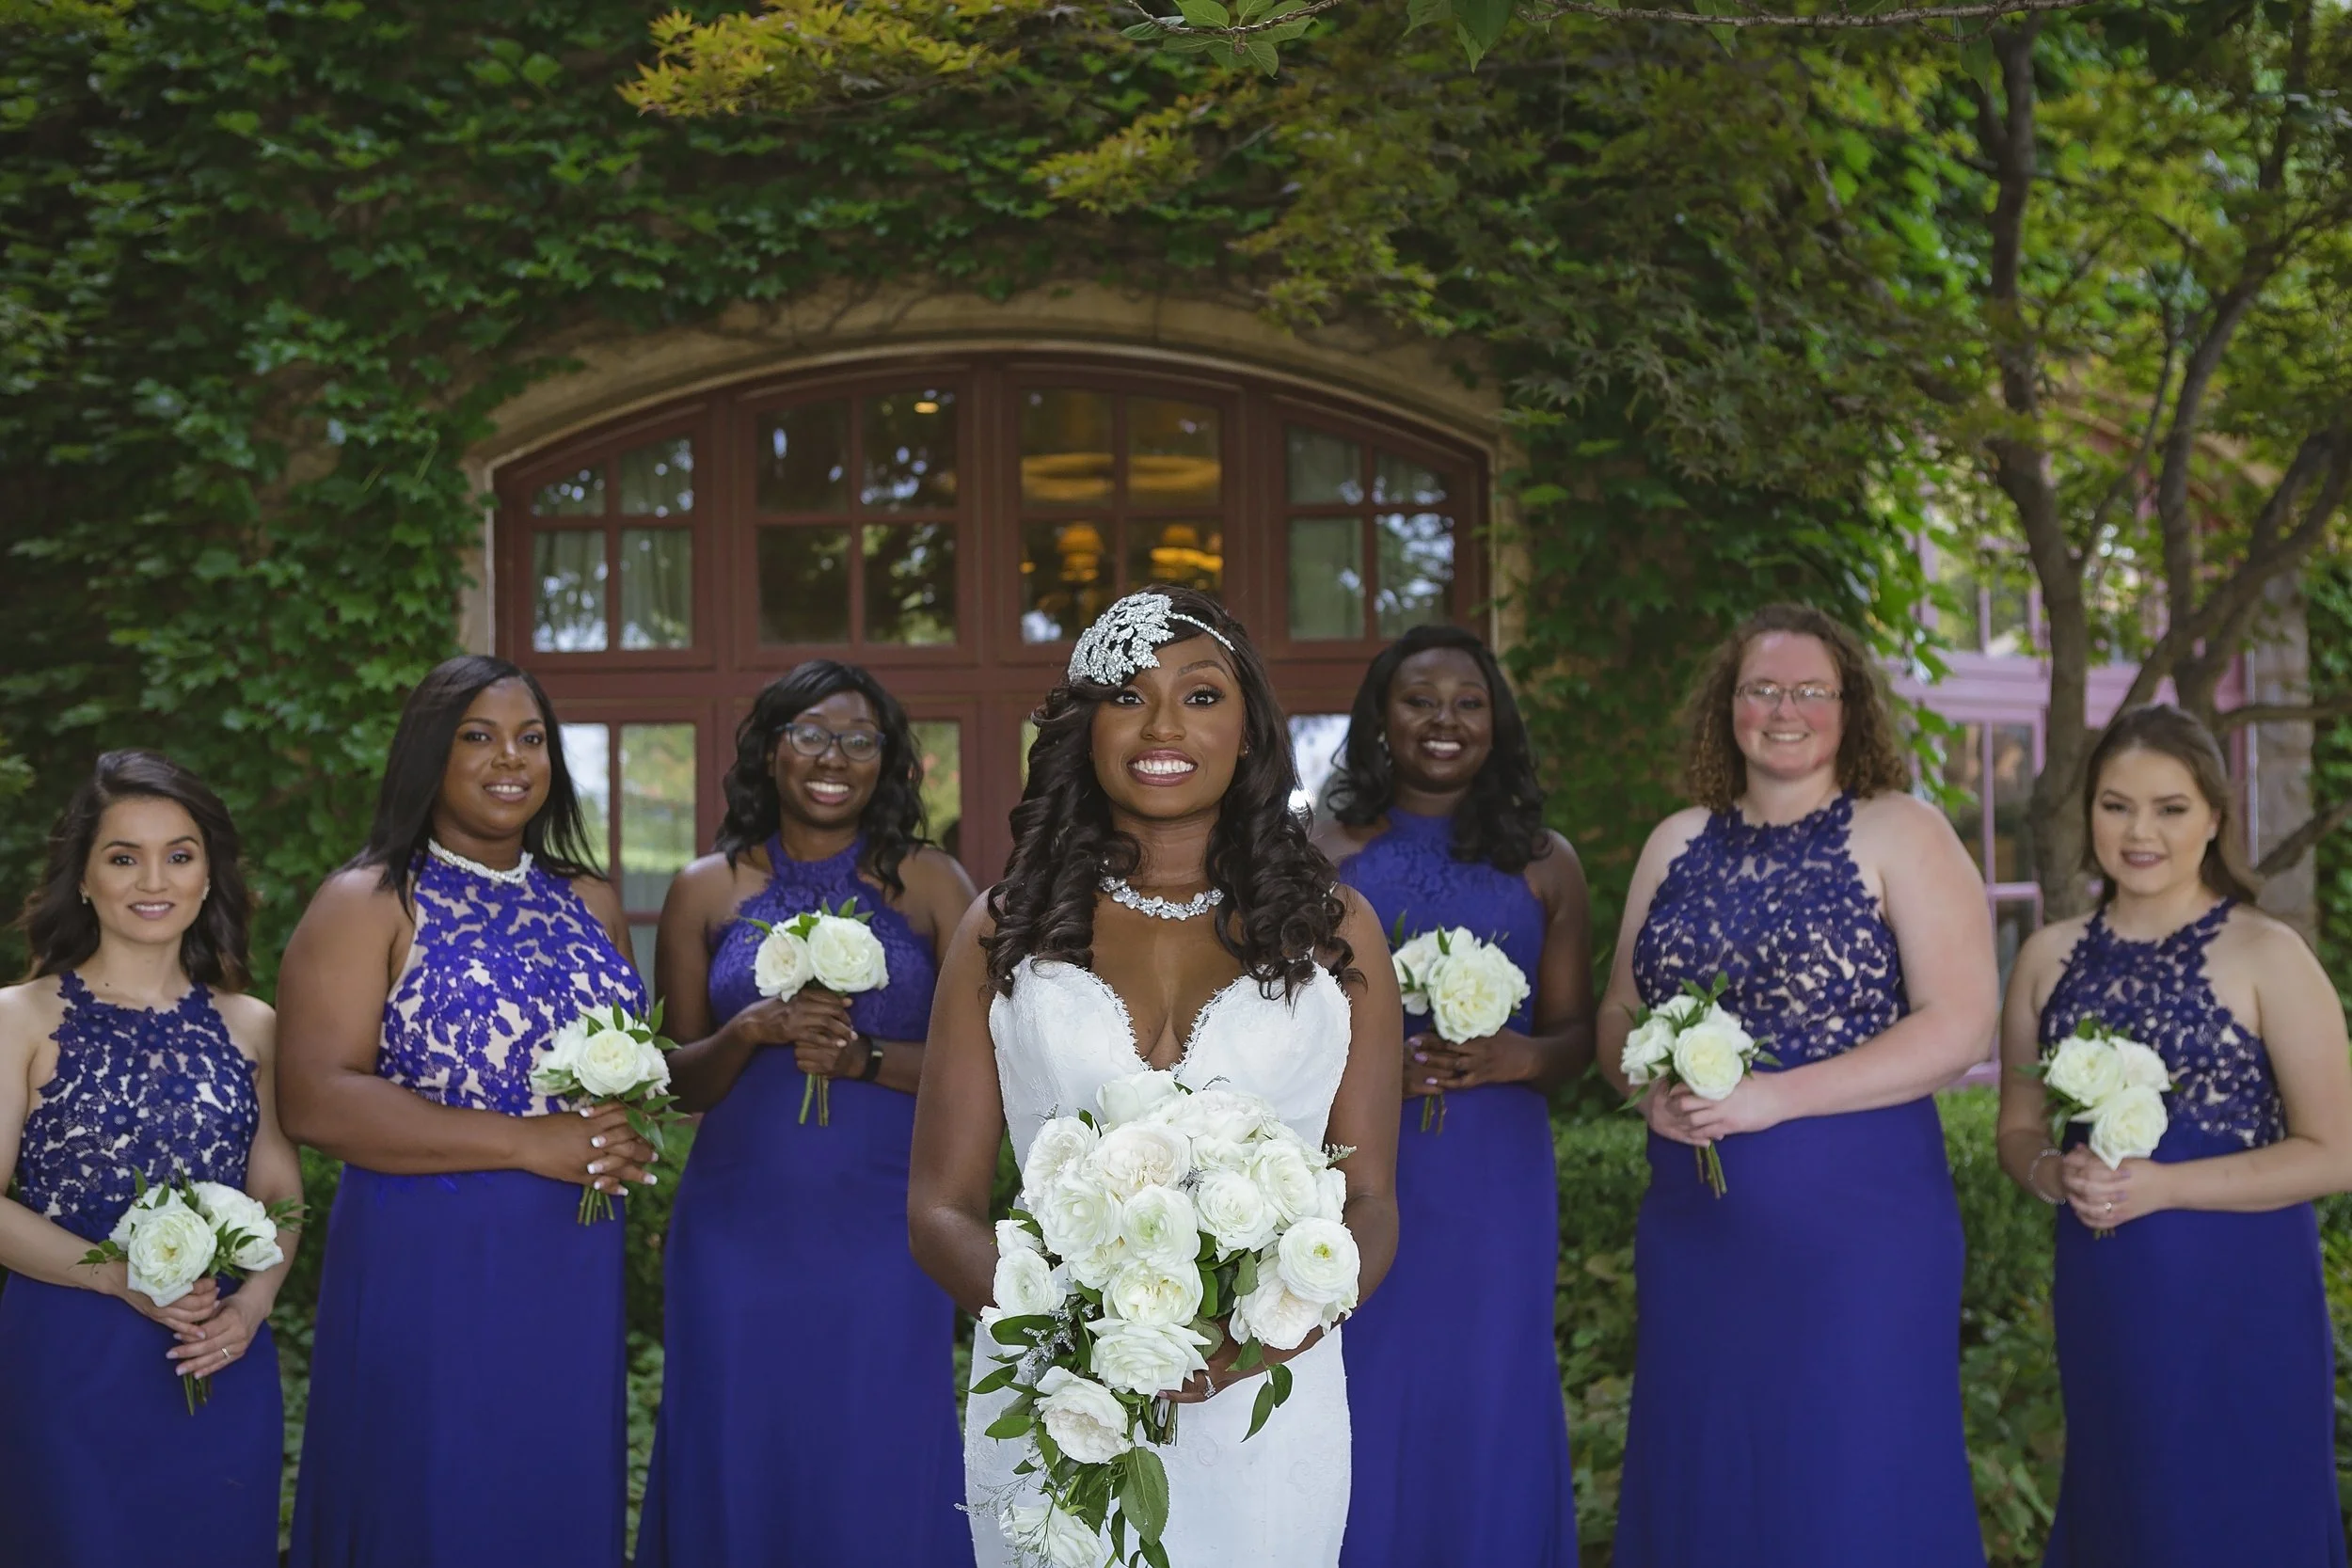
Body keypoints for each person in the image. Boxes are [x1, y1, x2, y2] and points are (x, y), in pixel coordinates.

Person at [909, 585, 1403, 1566]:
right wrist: (1068, 1328)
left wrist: (1257, 1340)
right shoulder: (1001, 928)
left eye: (1202, 694)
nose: (1164, 724)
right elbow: (941, 1205)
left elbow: (1372, 1200)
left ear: (1252, 731)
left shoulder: (1337, 932)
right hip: (1061, 1393)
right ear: (1083, 728)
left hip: (1269, 1393)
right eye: (1128, 695)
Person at [1597, 603, 1994, 1568]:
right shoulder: (1675, 839)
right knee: (1708, 1468)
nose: (1784, 709)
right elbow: (1617, 1009)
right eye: (1760, 688)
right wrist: (1642, 1085)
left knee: (1848, 1472)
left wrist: (1777, 1096)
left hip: (1859, 1229)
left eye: (1809, 689)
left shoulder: (1902, 828)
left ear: (1848, 706)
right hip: (1695, 1225)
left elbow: (1959, 1025)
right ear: (1726, 705)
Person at [278, 656, 656, 1568]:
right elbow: (315, 1096)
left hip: (570, 1246)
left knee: (551, 1482)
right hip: (429, 1251)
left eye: (530, 738)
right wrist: (531, 1142)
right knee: (433, 1490)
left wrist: (624, 1121)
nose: (510, 758)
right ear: (429, 754)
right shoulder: (370, 898)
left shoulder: (589, 896)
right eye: (477, 736)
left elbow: (626, 1058)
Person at [637, 660, 978, 1567]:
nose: (836, 757)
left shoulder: (936, 885)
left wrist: (864, 1058)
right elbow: (671, 1080)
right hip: (737, 1224)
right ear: (770, 750)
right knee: (737, 1436)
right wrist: (748, 1030)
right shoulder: (705, 889)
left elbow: (982, 1067)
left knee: (876, 1439)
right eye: (813, 734)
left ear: (888, 761)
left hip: (885, 1226)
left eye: (860, 739)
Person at [1997, 705, 2352, 1567]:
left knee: (2240, 1507)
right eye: (2116, 805)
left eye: (2171, 807)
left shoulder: (2270, 954)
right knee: (2127, 1499)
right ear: (2088, 815)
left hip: (2243, 1287)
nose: (2140, 830)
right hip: (2108, 1283)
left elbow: (2336, 1150)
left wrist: (2166, 1185)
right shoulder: (2047, 957)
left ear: (2215, 819)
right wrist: (2053, 1174)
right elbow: (2017, 1123)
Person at [1313, 626, 1590, 1568]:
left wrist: (1514, 1058)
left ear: (1495, 722)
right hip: (1352, 1160)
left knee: (1489, 1382)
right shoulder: (1320, 845)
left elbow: (1577, 1037)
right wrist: (1367, 1066)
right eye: (1418, 699)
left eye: (1467, 702)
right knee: (1365, 1375)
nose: (1443, 720)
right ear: (1380, 718)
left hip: (1493, 1171)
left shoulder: (1545, 861)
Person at [0, 750, 298, 1567]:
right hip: (68, 1359)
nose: (152, 878)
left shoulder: (255, 1024)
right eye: (123, 856)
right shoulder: (17, 1018)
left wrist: (253, 1307)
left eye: (180, 853)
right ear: (83, 877)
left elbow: (279, 1194)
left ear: (208, 877)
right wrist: (114, 1275)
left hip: (217, 1354)